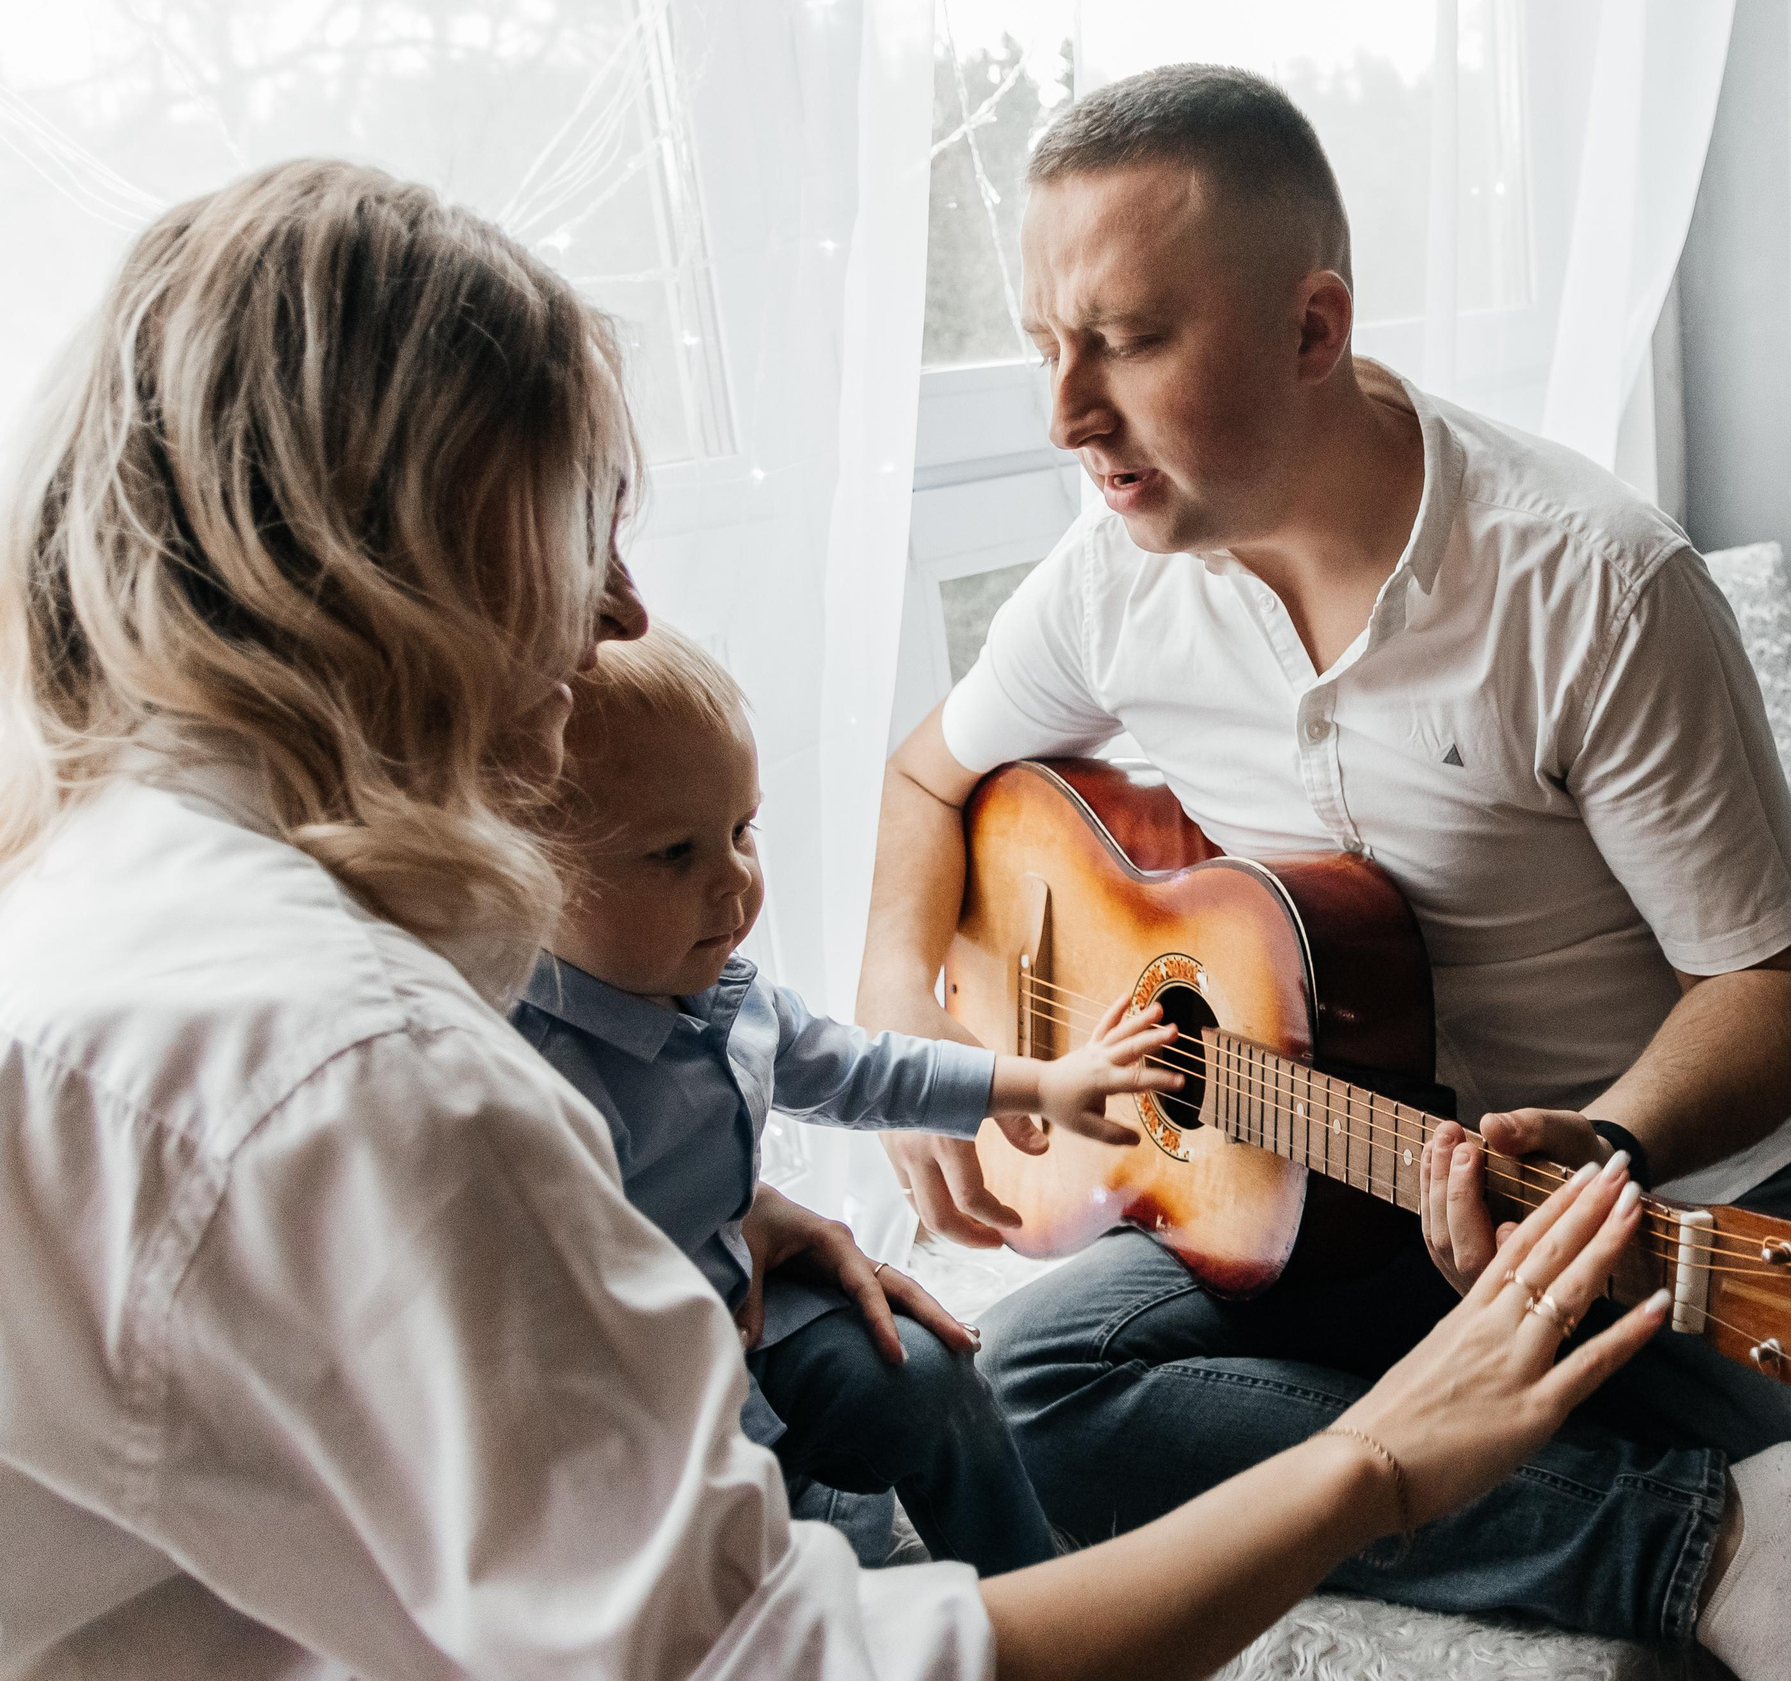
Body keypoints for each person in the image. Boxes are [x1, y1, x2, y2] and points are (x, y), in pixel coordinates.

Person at [0, 157, 1666, 1681]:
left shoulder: (100, 881)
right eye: (583, 520)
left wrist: (679, 1208)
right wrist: (1371, 1461)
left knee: (988, 1368)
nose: (624, 609)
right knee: (1046, 1371)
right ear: (396, 550)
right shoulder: (368, 1066)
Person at [856, 66, 1791, 1681]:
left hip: (1676, 1199)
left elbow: (1773, 984)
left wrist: (1613, 1141)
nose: (1066, 411)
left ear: (1313, 326)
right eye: (1043, 344)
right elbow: (928, 774)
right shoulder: (1105, 583)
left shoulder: (1597, 582)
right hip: (1325, 1189)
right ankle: (1691, 1541)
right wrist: (906, 1037)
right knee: (1032, 1384)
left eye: (1131, 340)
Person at [514, 621, 1183, 1575]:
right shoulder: (521, 1071)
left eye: (742, 831)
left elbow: (865, 1070)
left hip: (749, 1314)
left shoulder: (726, 994)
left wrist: (1039, 1083)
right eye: (673, 853)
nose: (736, 881)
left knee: (932, 1369)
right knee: (750, 1558)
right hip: (638, 1403)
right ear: (529, 871)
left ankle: (1038, 1595)